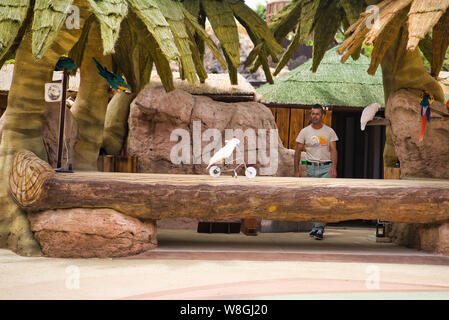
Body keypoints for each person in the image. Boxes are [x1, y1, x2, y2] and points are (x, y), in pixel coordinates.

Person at [294, 104, 338, 240]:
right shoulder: (304, 132)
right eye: (312, 114)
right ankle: (316, 227)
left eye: (317, 114)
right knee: (312, 198)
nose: (315, 116)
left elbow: (334, 150)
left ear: (323, 115)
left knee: (324, 198)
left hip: (326, 168)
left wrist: (334, 167)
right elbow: (297, 151)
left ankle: (318, 228)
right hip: (311, 168)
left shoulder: (329, 131)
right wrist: (296, 170)